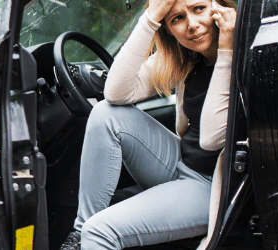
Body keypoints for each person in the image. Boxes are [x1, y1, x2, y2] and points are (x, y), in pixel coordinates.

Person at [58, 0, 237, 249]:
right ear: (168, 30)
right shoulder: (187, 59)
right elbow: (116, 92)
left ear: (219, 6)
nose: (192, 26)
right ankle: (79, 236)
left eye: (199, 9)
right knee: (105, 113)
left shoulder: (247, 55)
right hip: (183, 164)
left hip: (215, 185)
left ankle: (91, 236)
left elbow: (211, 138)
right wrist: (151, 18)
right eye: (177, 19)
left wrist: (228, 51)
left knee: (100, 231)